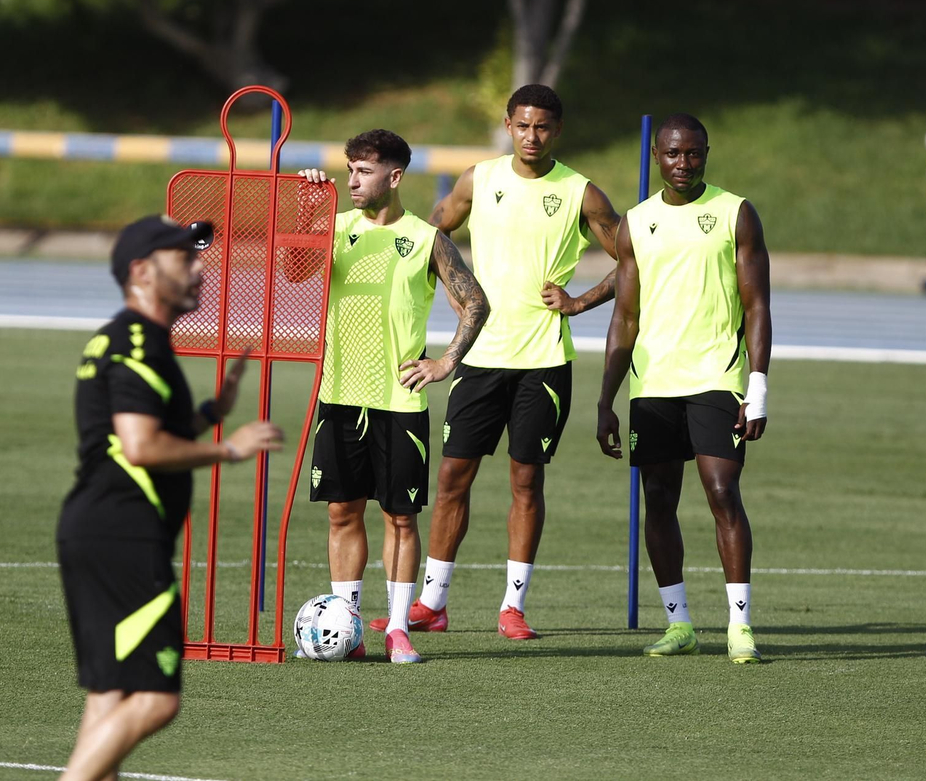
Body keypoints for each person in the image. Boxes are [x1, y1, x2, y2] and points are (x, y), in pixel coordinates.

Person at [374, 84, 622, 640]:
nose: (532, 136)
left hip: (544, 362)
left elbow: (634, 259)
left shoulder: (582, 193)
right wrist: (453, 288)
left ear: (557, 130)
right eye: (523, 125)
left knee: (525, 482)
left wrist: (580, 302)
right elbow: (427, 236)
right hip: (480, 358)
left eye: (544, 127)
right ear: (508, 124)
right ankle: (432, 603)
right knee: (452, 476)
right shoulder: (478, 180)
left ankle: (513, 606)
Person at [56, 215, 283, 781]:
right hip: (122, 536)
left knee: (110, 699)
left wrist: (208, 413)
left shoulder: (136, 339)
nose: (200, 266)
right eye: (184, 258)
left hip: (102, 531)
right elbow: (140, 446)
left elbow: (135, 428)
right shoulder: (137, 341)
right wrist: (228, 450)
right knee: (156, 700)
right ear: (141, 272)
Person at [297, 129, 488, 664]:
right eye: (349, 169)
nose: (352, 180)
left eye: (364, 171)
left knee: (400, 518)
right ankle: (348, 624)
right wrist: (311, 211)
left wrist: (446, 361)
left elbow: (475, 302)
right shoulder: (334, 230)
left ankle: (398, 628)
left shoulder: (427, 240)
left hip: (399, 401)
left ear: (394, 176)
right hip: (339, 395)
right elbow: (293, 272)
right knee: (341, 511)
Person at [596, 113, 771, 664]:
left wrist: (758, 387)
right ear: (657, 156)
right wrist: (606, 399)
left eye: (693, 154)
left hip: (717, 377)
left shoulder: (734, 213)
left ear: (706, 153)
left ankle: (739, 626)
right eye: (672, 154)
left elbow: (758, 306)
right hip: (653, 385)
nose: (683, 164)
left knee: (722, 492)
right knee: (659, 500)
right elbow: (625, 317)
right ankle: (680, 625)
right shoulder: (635, 223)